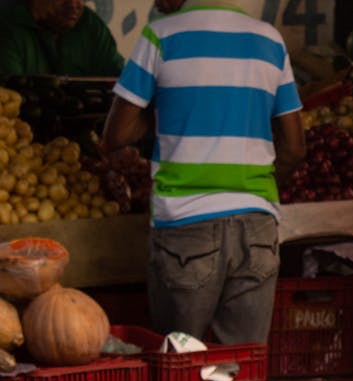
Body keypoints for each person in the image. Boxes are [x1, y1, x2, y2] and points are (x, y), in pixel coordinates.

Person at [99, 0, 306, 345]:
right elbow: (295, 148)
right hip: (256, 226)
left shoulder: (161, 36)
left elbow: (115, 136)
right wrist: (254, 188)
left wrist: (166, 114)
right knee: (241, 371)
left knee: (179, 368)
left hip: (185, 225)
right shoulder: (269, 40)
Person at [0, 0, 123, 77]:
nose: (74, 4)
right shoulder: (7, 23)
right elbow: (10, 97)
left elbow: (123, 81)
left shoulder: (88, 23)